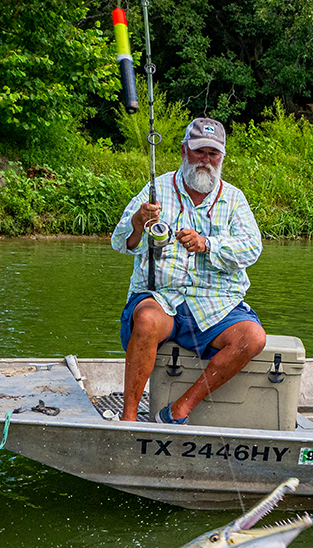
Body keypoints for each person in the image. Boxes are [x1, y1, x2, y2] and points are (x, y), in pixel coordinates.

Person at [110, 117, 266, 424]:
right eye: (199, 152)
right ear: (184, 151)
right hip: (162, 296)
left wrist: (207, 244)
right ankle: (128, 421)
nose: (206, 160)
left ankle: (179, 409)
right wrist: (138, 224)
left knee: (253, 337)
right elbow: (119, 242)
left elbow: (252, 248)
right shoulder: (156, 191)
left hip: (216, 304)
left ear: (221, 157)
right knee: (145, 319)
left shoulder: (234, 199)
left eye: (213, 154)